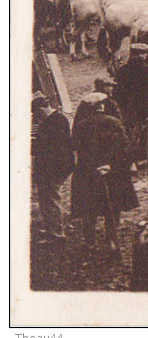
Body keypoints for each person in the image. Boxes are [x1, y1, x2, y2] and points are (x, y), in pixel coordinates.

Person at [70, 93, 139, 254]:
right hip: (112, 172)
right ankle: (110, 238)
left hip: (88, 173)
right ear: (102, 107)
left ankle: (90, 241)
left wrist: (92, 166)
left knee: (89, 207)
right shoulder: (113, 123)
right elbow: (124, 148)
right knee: (113, 205)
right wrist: (111, 165)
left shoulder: (81, 126)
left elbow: (77, 148)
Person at [32, 92, 74, 243]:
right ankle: (51, 229)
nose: (36, 117)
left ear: (42, 108)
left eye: (36, 113)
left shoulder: (57, 120)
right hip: (47, 168)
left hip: (54, 168)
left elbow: (58, 148)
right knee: (45, 199)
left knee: (52, 199)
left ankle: (57, 233)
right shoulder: (50, 121)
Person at [113, 43, 148, 162]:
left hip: (126, 107)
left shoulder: (122, 70)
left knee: (128, 130)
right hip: (143, 106)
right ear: (141, 54)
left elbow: (117, 91)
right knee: (144, 131)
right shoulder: (147, 70)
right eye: (144, 54)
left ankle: (130, 157)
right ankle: (142, 157)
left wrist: (121, 104)